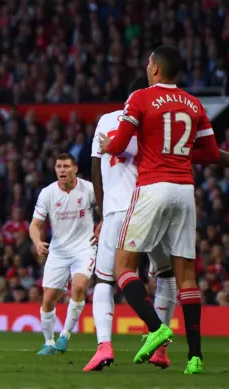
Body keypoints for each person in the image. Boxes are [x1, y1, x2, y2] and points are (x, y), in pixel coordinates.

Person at [100, 45, 220, 375]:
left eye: (148, 63)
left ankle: (156, 328)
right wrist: (178, 155)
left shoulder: (140, 98)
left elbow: (120, 144)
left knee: (122, 267)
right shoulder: (195, 104)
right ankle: (195, 357)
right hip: (184, 189)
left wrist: (107, 145)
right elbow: (210, 152)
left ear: (155, 70)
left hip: (152, 186)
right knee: (187, 278)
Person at [85, 77, 176, 371]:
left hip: (116, 210)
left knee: (105, 280)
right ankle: (160, 350)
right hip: (153, 206)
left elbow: (96, 170)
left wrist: (101, 212)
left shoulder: (106, 120)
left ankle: (104, 346)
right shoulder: (158, 123)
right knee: (166, 274)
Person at [29, 153, 97, 355]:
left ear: (75, 168)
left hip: (84, 248)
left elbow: (106, 209)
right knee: (49, 299)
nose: (62, 170)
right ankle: (49, 342)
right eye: (59, 166)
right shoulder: (48, 193)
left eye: (66, 166)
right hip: (58, 251)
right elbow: (35, 224)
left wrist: (101, 225)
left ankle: (65, 335)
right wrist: (37, 242)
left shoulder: (89, 190)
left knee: (78, 286)